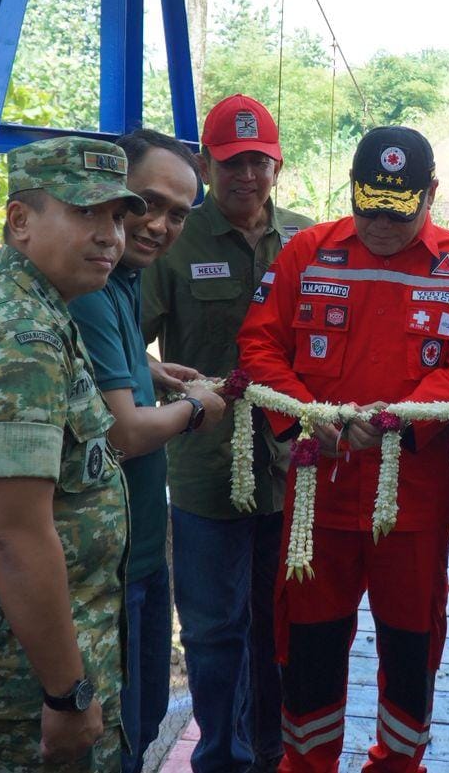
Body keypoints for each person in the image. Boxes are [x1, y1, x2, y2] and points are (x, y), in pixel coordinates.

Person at [238, 126, 449, 772]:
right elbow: (259, 346)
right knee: (309, 647)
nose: (381, 222)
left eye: (398, 209)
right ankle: (307, 763)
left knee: (412, 649)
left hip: (412, 503)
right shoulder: (308, 252)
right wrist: (310, 412)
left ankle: (397, 764)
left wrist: (396, 421)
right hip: (316, 503)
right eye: (369, 205)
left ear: (431, 194)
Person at [0, 136, 146, 772]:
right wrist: (67, 692)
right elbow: (14, 534)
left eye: (117, 217)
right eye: (85, 212)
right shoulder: (17, 337)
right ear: (20, 223)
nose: (109, 236)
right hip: (17, 682)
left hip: (25, 671)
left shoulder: (37, 312)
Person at [141, 94, 312, 772]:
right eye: (234, 162)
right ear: (208, 164)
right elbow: (132, 345)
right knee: (215, 633)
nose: (248, 175)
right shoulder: (176, 241)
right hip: (205, 470)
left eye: (260, 162)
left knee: (284, 629)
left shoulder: (307, 240)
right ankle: (221, 757)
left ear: (277, 165)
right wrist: (171, 384)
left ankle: (271, 753)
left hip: (292, 469)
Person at [67, 129, 228, 772]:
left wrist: (150, 372)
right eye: (145, 203)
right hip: (104, 567)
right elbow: (125, 434)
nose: (157, 225)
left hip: (137, 548)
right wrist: (195, 409)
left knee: (145, 716)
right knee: (117, 737)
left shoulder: (125, 277)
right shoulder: (91, 286)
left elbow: (111, 377)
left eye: (178, 213)